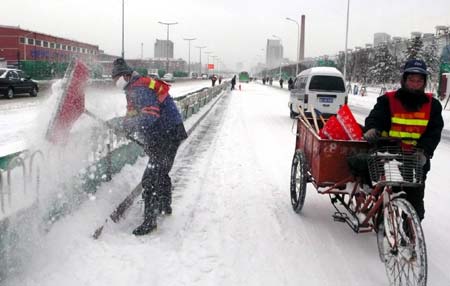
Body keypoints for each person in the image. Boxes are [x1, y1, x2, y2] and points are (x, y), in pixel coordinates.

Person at [109, 58, 188, 235]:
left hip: (166, 134)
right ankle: (164, 205)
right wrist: (125, 125)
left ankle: (150, 221)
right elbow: (133, 114)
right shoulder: (133, 88)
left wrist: (130, 126)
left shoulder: (139, 88)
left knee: (151, 178)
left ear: (126, 75)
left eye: (116, 78)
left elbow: (150, 116)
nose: (114, 82)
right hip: (168, 133)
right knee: (161, 171)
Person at [364, 59, 444, 221]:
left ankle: (410, 237)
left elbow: (434, 132)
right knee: (383, 194)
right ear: (404, 80)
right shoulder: (388, 100)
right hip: (388, 153)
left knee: (415, 204)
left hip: (415, 158)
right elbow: (375, 118)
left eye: (419, 81)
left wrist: (426, 151)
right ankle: (382, 221)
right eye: (411, 80)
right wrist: (372, 129)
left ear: (424, 83)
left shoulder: (433, 105)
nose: (415, 84)